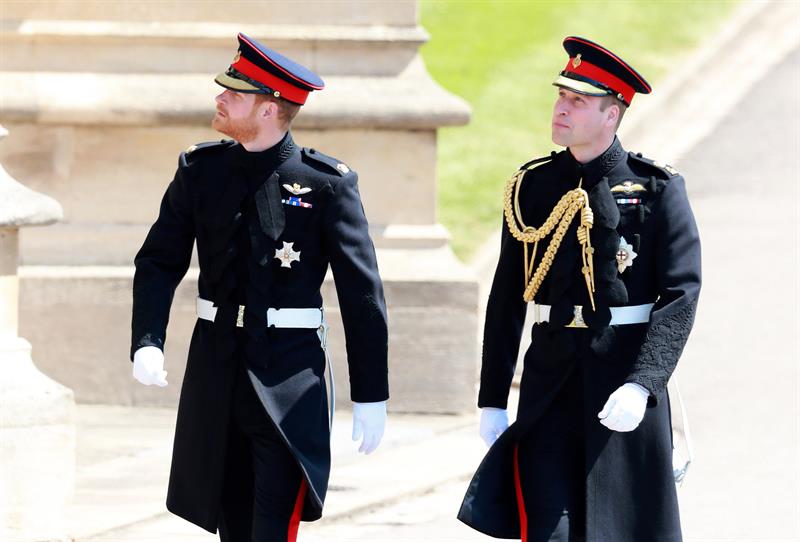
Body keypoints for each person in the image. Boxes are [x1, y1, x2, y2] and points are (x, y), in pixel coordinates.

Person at [130, 33, 389, 542]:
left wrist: (371, 393)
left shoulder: (325, 183)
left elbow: (362, 294)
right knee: (232, 525)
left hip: (288, 380)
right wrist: (148, 340)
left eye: (234, 93)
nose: (220, 98)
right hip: (216, 372)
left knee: (271, 529)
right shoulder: (201, 171)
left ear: (269, 108)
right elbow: (159, 261)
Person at [458, 36, 701, 542]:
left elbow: (680, 295)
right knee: (549, 529)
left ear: (612, 115)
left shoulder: (656, 188)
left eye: (578, 101)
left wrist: (643, 383)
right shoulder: (532, 185)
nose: (561, 109)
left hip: (623, 379)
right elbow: (507, 296)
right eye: (560, 96)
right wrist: (493, 397)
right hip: (550, 378)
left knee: (622, 530)